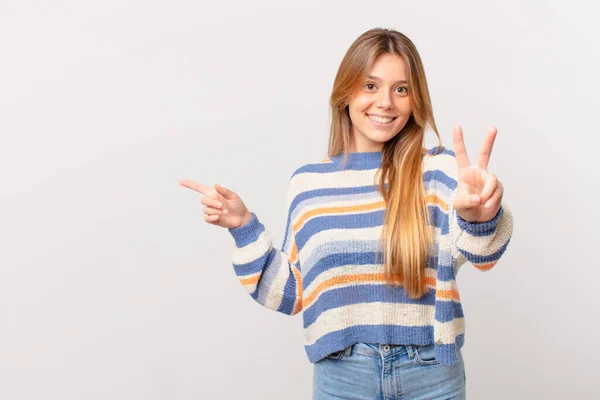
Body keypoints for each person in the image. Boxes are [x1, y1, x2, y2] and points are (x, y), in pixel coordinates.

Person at [180, 27, 513, 400]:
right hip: (343, 376)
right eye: (370, 86)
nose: (385, 102)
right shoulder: (309, 183)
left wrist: (481, 216)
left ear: (415, 99)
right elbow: (292, 294)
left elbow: (483, 256)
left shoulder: (441, 173)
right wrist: (243, 227)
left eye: (401, 89)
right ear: (345, 92)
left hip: (432, 374)